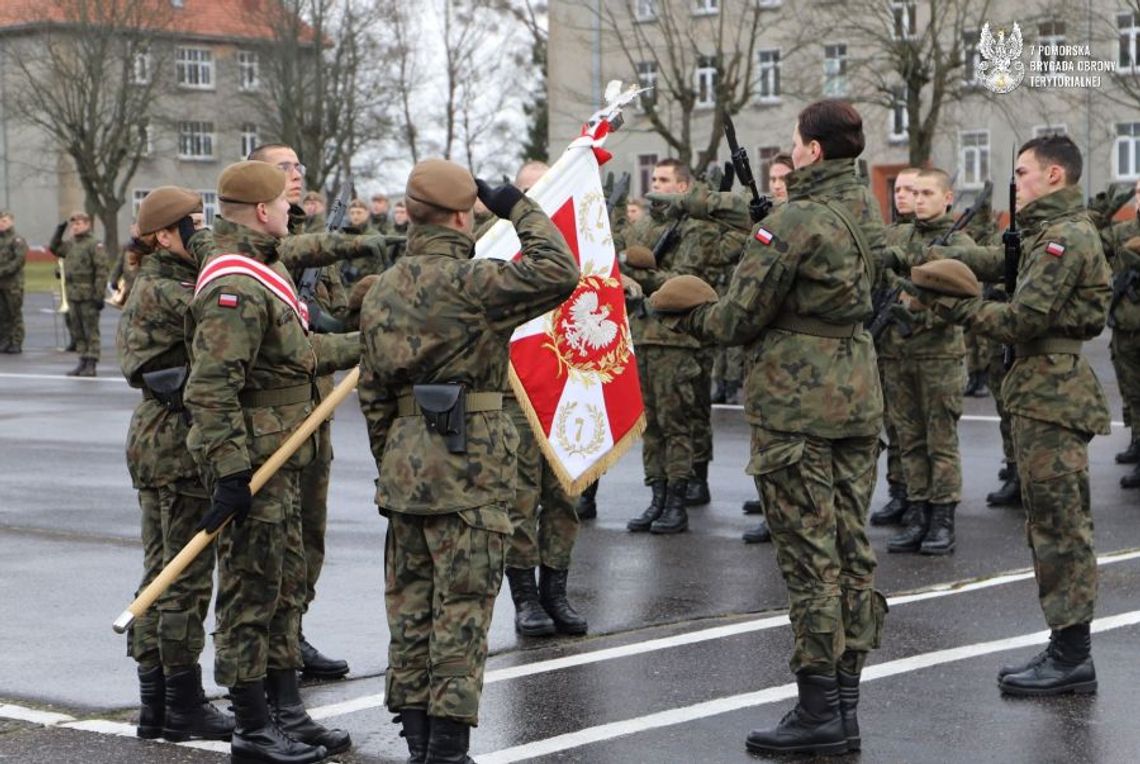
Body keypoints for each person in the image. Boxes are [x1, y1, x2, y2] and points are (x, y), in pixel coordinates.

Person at [651, 99, 888, 755]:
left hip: (797, 408)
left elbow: (734, 320)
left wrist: (682, 314)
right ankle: (843, 707)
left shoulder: (793, 221)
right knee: (850, 554)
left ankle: (820, 713)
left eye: (793, 141)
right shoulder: (869, 211)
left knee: (812, 563)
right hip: (858, 397)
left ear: (811, 151)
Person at [357, 158, 578, 762]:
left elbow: (372, 392)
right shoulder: (473, 282)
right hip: (470, 470)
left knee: (410, 611)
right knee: (462, 611)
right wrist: (517, 206)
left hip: (405, 472)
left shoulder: (380, 291)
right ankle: (448, 751)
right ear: (462, 215)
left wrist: (398, 454)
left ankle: (419, 744)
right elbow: (560, 271)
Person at [910, 134, 1108, 696]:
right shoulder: (1043, 233)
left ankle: (1073, 656)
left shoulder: (1064, 238)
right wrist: (935, 257)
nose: (1015, 181)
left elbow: (1023, 318)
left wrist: (953, 304)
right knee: (1047, 522)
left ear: (1054, 176)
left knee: (1061, 527)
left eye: (1023, 173)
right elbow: (997, 256)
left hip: (1054, 395)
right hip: (1038, 392)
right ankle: (1065, 644)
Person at [184, 160, 358, 763]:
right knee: (250, 592)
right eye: (282, 204)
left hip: (288, 454)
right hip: (257, 461)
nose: (291, 210)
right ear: (261, 211)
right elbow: (210, 390)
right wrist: (230, 471)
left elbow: (300, 352)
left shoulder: (266, 269)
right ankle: (253, 727)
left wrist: (374, 342)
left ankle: (286, 710)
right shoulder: (234, 286)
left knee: (283, 586)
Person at [117, 187, 235, 744]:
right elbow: (230, 298)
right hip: (176, 445)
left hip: (158, 440)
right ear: (164, 236)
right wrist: (211, 244)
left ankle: (156, 703)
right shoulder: (169, 288)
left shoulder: (157, 282)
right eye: (190, 225)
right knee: (181, 578)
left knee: (162, 571)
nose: (200, 232)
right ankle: (181, 704)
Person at [245, 143, 356, 682]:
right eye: (283, 168)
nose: (295, 176)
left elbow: (333, 316)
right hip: (271, 417)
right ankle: (262, 647)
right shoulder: (253, 252)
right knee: (269, 541)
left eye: (298, 167)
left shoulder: (312, 247)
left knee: (310, 532)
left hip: (318, 407)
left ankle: (294, 632)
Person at [501, 160, 588, 638]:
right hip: (515, 383)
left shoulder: (573, 237)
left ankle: (556, 590)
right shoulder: (494, 241)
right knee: (519, 496)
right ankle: (525, 598)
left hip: (566, 380)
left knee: (563, 494)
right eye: (527, 192)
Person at [878, 169, 973, 556]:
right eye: (913, 192)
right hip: (900, 353)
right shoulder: (898, 236)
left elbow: (962, 300)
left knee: (940, 441)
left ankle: (942, 519)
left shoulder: (961, 243)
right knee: (909, 439)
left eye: (927, 192)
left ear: (947, 198)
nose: (917, 199)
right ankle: (917, 514)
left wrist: (918, 309)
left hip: (938, 354)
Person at [622, 158, 718, 533]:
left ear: (682, 187)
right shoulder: (644, 226)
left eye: (663, 179)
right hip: (643, 336)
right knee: (652, 426)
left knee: (677, 424)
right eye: (652, 178)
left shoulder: (697, 229)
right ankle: (657, 496)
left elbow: (688, 282)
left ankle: (677, 499)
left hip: (677, 341)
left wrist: (645, 276)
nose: (655, 185)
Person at [868, 168, 921, 526]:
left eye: (911, 190)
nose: (902, 196)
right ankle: (899, 492)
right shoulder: (889, 235)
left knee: (921, 434)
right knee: (896, 427)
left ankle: (924, 503)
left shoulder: (935, 239)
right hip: (888, 348)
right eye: (898, 189)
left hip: (923, 351)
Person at [1098, 179, 1140, 488]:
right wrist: (1106, 206)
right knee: (1132, 393)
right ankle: (1138, 441)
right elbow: (1090, 241)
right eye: (1139, 193)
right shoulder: (1124, 232)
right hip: (1126, 329)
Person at [49, 211, 107, 376]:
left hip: (88, 294)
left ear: (87, 225)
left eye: (79, 223)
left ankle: (92, 362)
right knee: (77, 329)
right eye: (73, 224)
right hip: (72, 294)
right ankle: (82, 359)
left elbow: (101, 271)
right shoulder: (70, 244)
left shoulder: (95, 244)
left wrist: (99, 294)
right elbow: (54, 248)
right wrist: (60, 230)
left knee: (90, 330)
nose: (75, 227)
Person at [0, 210, 28, 354]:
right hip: (1, 284)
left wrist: (2, 271)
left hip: (13, 284)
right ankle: (5, 341)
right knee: (2, 314)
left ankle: (16, 342)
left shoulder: (17, 240)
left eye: (4, 221)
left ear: (11, 221)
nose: (1, 224)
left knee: (14, 313)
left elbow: (19, 261)